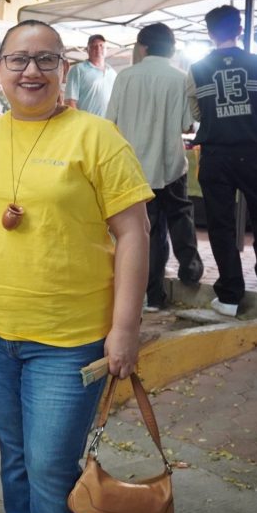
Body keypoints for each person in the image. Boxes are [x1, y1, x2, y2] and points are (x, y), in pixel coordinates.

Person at [0, 20, 152, 513]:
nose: (32, 70)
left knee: (48, 468)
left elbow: (134, 232)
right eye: (18, 59)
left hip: (68, 340)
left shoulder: (97, 136)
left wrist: (125, 327)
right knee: (16, 460)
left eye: (46, 59)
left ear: (64, 70)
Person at [187, 5, 257, 317]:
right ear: (239, 30)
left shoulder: (197, 68)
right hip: (251, 151)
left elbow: (197, 112)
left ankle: (229, 296)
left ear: (209, 33)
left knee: (221, 224)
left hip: (215, 154)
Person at [106, 23, 204, 311]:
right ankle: (190, 268)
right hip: (170, 163)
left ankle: (153, 295)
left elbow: (110, 122)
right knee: (179, 215)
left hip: (133, 168)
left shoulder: (125, 77)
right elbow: (187, 125)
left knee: (145, 230)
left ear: (142, 47)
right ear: (171, 48)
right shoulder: (181, 78)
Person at [64, 33, 117, 116]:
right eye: (94, 46)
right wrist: (79, 121)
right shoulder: (78, 70)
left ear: (106, 49)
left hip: (108, 122)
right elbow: (70, 101)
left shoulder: (112, 73)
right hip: (87, 122)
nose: (98, 49)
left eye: (101, 46)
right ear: (88, 50)